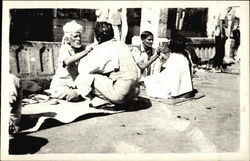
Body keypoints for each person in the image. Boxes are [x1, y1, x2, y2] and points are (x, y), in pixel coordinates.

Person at [74, 21, 139, 105]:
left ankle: (97, 101)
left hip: (120, 95)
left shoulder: (102, 48)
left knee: (82, 78)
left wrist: (89, 50)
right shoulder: (123, 45)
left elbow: (82, 69)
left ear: (98, 37)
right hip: (135, 92)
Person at [49, 20, 96, 102]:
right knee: (74, 95)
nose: (78, 39)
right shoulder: (65, 48)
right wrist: (86, 51)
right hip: (61, 87)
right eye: (75, 37)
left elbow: (91, 46)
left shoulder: (79, 49)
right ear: (67, 39)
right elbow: (67, 61)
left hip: (74, 85)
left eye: (79, 36)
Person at [144, 34, 194, 99]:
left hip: (178, 90)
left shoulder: (174, 57)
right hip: (187, 88)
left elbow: (169, 78)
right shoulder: (185, 54)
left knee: (149, 79)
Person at [211, 7, 233, 73]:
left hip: (222, 33)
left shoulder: (224, 12)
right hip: (220, 34)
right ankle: (215, 66)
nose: (231, 9)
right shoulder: (224, 12)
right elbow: (220, 22)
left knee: (221, 51)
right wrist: (222, 33)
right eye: (230, 8)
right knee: (220, 51)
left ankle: (218, 65)